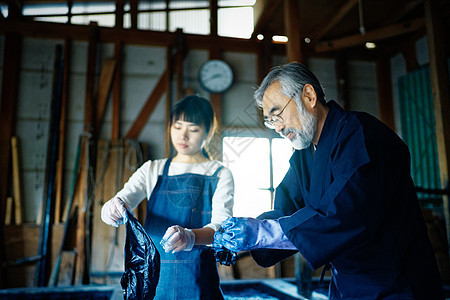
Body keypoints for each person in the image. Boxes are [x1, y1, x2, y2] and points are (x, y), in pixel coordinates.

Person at [213, 62, 444, 299]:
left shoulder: (362, 134)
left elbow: (344, 212)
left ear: (309, 96)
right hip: (346, 285)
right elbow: (285, 211)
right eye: (270, 122)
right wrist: (242, 237)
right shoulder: (304, 154)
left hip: (395, 283)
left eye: (278, 114)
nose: (278, 128)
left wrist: (262, 233)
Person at [101, 95, 234, 299]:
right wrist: (111, 209)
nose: (183, 136)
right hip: (155, 280)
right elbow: (122, 201)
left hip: (199, 281)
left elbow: (222, 229)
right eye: (177, 127)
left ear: (208, 132)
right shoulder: (153, 169)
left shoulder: (218, 173)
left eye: (193, 129)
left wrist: (190, 236)